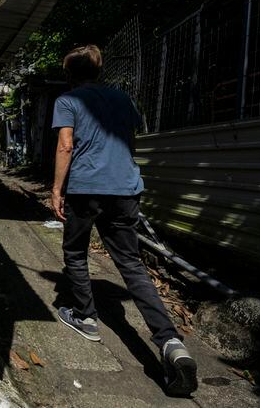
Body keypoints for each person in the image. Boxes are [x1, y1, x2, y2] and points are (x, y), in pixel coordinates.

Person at [50, 44, 198, 396]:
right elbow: (128, 142)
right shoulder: (123, 99)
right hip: (125, 189)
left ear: (70, 73)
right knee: (131, 264)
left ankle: (86, 317)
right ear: (98, 71)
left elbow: (66, 145)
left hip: (86, 188)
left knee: (75, 252)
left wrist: (57, 189)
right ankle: (170, 342)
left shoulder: (68, 101)